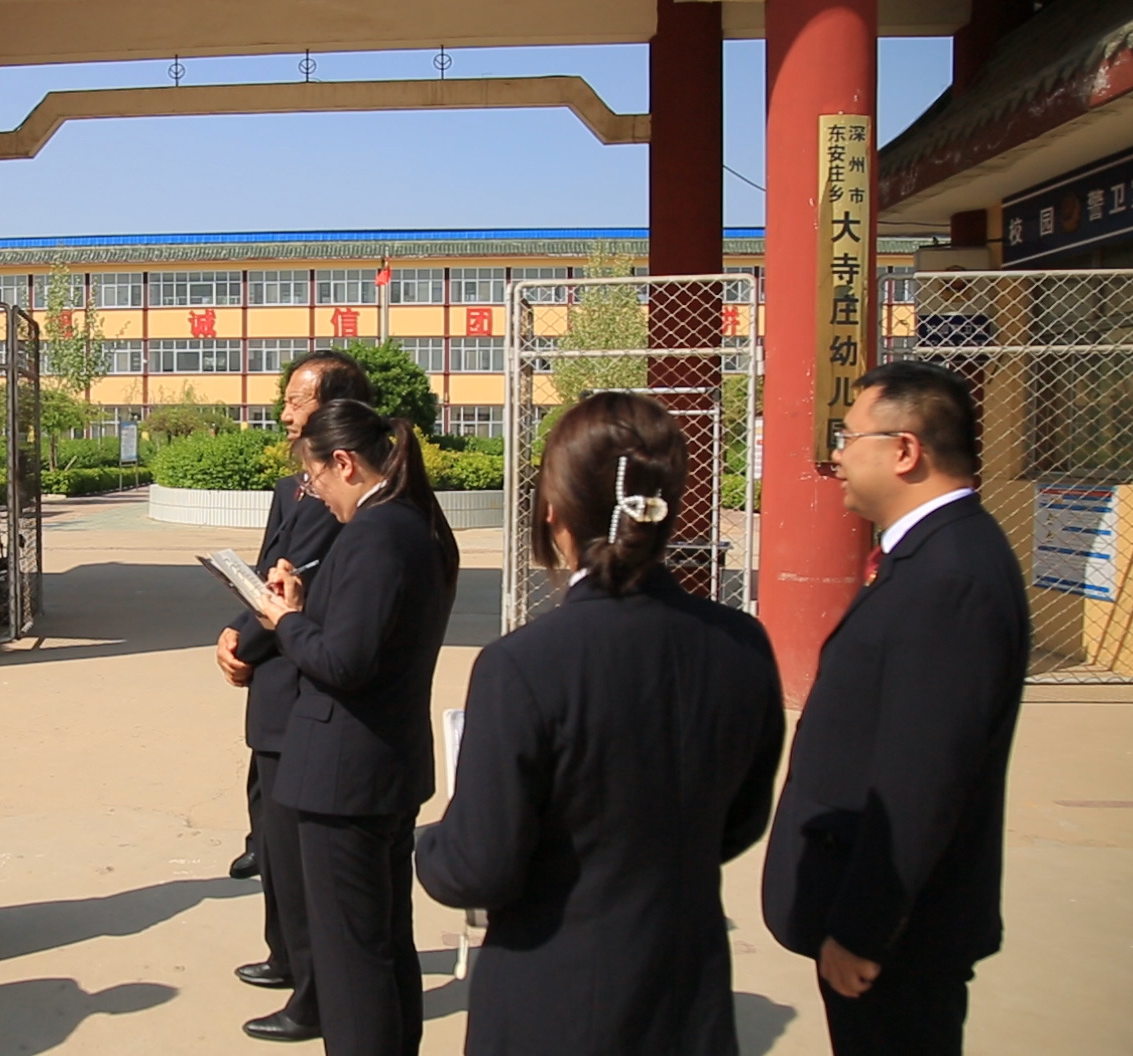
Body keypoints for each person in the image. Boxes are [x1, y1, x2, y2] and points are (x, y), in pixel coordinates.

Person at [413, 392, 786, 1056]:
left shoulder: (523, 665)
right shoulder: (742, 645)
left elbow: (479, 866)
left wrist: (429, 844)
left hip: (551, 998)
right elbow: (739, 821)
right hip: (686, 996)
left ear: (552, 510)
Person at [762, 361, 1029, 1056]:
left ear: (905, 450)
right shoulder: (929, 556)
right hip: (883, 927)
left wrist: (861, 930)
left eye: (849, 438)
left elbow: (922, 781)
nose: (838, 457)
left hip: (898, 942)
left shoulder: (953, 578)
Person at [253, 399, 459, 1056]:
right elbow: (367, 636)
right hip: (382, 763)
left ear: (344, 463)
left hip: (345, 774)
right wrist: (305, 606)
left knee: (351, 963)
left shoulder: (377, 531)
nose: (313, 492)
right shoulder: (413, 522)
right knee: (382, 943)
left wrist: (285, 622)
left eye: (314, 477)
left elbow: (345, 662)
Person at [216, 351, 375, 1039]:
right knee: (273, 839)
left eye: (297, 401)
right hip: (273, 683)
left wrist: (243, 644)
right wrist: (234, 628)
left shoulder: (348, 500)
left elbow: (297, 583)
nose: (284, 412)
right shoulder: (293, 488)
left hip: (299, 680)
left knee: (297, 848)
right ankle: (285, 955)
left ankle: (313, 990)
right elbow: (268, 573)